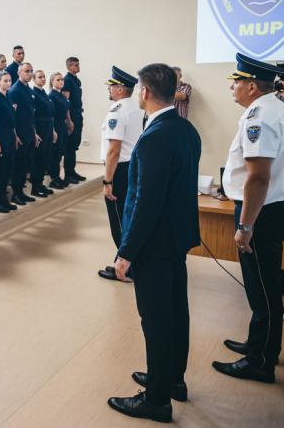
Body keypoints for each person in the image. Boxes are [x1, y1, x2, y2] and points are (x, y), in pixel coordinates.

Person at [108, 63, 201, 423]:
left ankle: (157, 398)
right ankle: (172, 377)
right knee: (177, 312)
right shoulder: (185, 129)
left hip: (155, 244)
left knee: (157, 320)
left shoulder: (155, 136)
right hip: (177, 238)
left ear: (145, 92)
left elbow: (146, 201)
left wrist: (126, 251)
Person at [212, 54, 284, 383]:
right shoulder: (283, 109)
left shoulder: (260, 116)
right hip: (275, 206)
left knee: (263, 290)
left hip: (260, 211)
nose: (231, 87)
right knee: (264, 287)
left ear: (251, 85)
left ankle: (260, 362)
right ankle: (260, 344)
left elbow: (259, 177)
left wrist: (245, 226)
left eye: (236, 81)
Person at [97, 66, 144, 282]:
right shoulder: (135, 108)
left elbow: (113, 150)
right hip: (131, 167)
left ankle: (126, 266)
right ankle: (126, 261)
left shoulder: (117, 111)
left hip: (119, 169)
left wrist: (108, 181)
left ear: (119, 89)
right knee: (128, 217)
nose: (109, 88)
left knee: (119, 222)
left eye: (111, 85)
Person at [0, 71, 20, 213]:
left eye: (9, 81)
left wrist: (15, 136)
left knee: (8, 170)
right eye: (5, 81)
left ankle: (4, 200)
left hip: (9, 135)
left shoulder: (8, 97)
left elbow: (12, 121)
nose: (8, 83)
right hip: (0, 135)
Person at [8, 62, 37, 205]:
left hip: (29, 131)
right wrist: (15, 135)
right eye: (27, 71)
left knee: (26, 163)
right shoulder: (15, 90)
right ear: (19, 73)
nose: (30, 73)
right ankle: (16, 193)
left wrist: (34, 132)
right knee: (19, 164)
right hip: (19, 132)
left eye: (31, 71)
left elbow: (31, 114)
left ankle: (21, 191)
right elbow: (12, 116)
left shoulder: (29, 89)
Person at [30, 69, 56, 198]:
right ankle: (35, 186)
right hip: (39, 127)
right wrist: (35, 132)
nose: (43, 79)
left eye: (44, 77)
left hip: (48, 127)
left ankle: (40, 183)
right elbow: (33, 115)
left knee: (45, 156)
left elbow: (50, 113)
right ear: (34, 79)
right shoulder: (33, 93)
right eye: (40, 77)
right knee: (38, 157)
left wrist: (53, 130)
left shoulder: (44, 93)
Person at [62, 56, 86, 183]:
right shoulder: (67, 80)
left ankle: (72, 171)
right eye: (75, 65)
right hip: (71, 116)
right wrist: (69, 120)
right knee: (70, 145)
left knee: (75, 144)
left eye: (78, 64)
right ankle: (68, 174)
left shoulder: (76, 81)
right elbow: (66, 102)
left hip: (78, 114)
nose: (78, 67)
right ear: (69, 66)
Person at [47, 72, 72, 189]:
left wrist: (69, 121)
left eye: (62, 79)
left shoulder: (62, 95)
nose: (61, 81)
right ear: (52, 82)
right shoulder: (51, 95)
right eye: (58, 80)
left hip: (62, 125)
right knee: (54, 153)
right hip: (55, 125)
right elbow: (51, 115)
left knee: (60, 152)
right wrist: (53, 130)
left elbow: (66, 110)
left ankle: (57, 177)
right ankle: (53, 178)